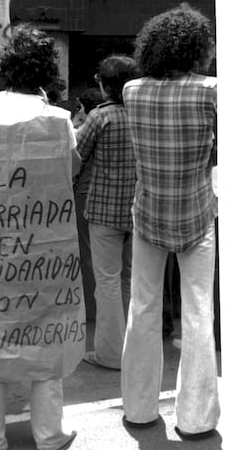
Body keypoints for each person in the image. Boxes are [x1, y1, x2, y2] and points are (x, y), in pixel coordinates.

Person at [0, 24, 84, 450]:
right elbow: (71, 170)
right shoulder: (59, 121)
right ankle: (49, 432)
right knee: (49, 328)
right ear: (45, 71)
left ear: (5, 66)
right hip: (48, 250)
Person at [121, 4, 220, 440]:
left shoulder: (131, 90)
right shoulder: (213, 91)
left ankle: (139, 409)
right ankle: (195, 418)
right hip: (197, 212)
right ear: (198, 49)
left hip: (148, 214)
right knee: (198, 314)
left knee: (142, 309)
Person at [76, 56, 138, 371]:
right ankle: (129, 347)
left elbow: (76, 155)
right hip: (137, 210)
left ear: (104, 84)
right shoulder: (143, 113)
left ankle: (110, 354)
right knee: (128, 279)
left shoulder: (101, 117)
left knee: (108, 282)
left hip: (104, 210)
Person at [72, 86, 102, 324]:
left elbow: (76, 159)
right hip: (106, 196)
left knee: (86, 252)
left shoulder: (87, 128)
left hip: (84, 194)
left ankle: (91, 308)